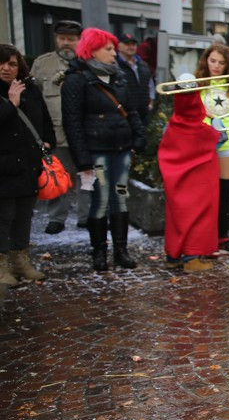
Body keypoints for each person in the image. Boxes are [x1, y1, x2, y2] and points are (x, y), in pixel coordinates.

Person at [61, 28, 145, 272]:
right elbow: (72, 122)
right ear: (92, 50)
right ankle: (99, 253)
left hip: (121, 149)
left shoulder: (119, 76)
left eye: (113, 48)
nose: (113, 53)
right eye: (108, 49)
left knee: (120, 199)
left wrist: (138, 139)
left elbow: (132, 111)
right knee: (99, 201)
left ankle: (121, 251)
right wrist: (82, 159)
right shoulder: (77, 80)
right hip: (96, 152)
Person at [1, 43, 53, 288]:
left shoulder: (29, 89)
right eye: (1, 63)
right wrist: (11, 104)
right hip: (3, 167)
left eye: (12, 63)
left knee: (24, 216)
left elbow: (43, 118)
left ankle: (20, 261)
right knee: (4, 217)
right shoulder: (10, 94)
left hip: (28, 165)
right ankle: (1, 267)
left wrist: (48, 141)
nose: (6, 68)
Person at [31, 20, 87, 234]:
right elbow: (34, 100)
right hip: (56, 132)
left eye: (71, 40)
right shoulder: (42, 64)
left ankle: (85, 216)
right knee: (56, 175)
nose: (66, 43)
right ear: (56, 39)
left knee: (86, 177)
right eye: (62, 39)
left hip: (83, 133)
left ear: (79, 41)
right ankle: (57, 218)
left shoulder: (87, 63)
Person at [196, 45, 229, 257]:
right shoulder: (198, 83)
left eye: (221, 62)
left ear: (228, 64)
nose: (216, 66)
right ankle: (204, 240)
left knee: (225, 194)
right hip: (204, 145)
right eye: (212, 61)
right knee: (205, 194)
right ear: (205, 61)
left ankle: (222, 238)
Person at [158, 81, 218, 273]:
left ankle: (173, 256)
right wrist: (213, 118)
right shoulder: (203, 131)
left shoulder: (171, 128)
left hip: (177, 184)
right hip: (199, 185)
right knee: (199, 216)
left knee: (177, 217)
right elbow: (221, 137)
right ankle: (192, 257)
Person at [115, 32, 152, 126]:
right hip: (123, 115)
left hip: (143, 114)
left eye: (133, 44)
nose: (131, 47)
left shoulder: (143, 65)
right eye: (127, 44)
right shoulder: (114, 65)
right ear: (118, 46)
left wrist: (150, 104)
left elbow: (150, 85)